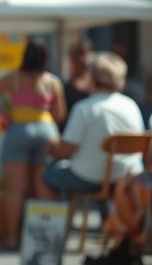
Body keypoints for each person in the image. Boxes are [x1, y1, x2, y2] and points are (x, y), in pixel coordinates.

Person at [0, 39, 65, 250]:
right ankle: (49, 239)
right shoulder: (53, 81)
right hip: (46, 130)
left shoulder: (14, 78)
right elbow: (59, 114)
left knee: (15, 189)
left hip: (18, 128)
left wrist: (6, 112)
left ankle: (11, 238)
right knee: (43, 187)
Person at [43, 51, 145, 199]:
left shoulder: (84, 108)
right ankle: (105, 217)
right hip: (127, 174)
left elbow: (67, 150)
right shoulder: (131, 105)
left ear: (92, 78)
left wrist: (53, 145)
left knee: (48, 175)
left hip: (90, 176)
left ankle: (58, 220)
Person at [63, 37, 94, 119]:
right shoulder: (65, 87)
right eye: (76, 54)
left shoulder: (97, 82)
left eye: (83, 54)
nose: (80, 59)